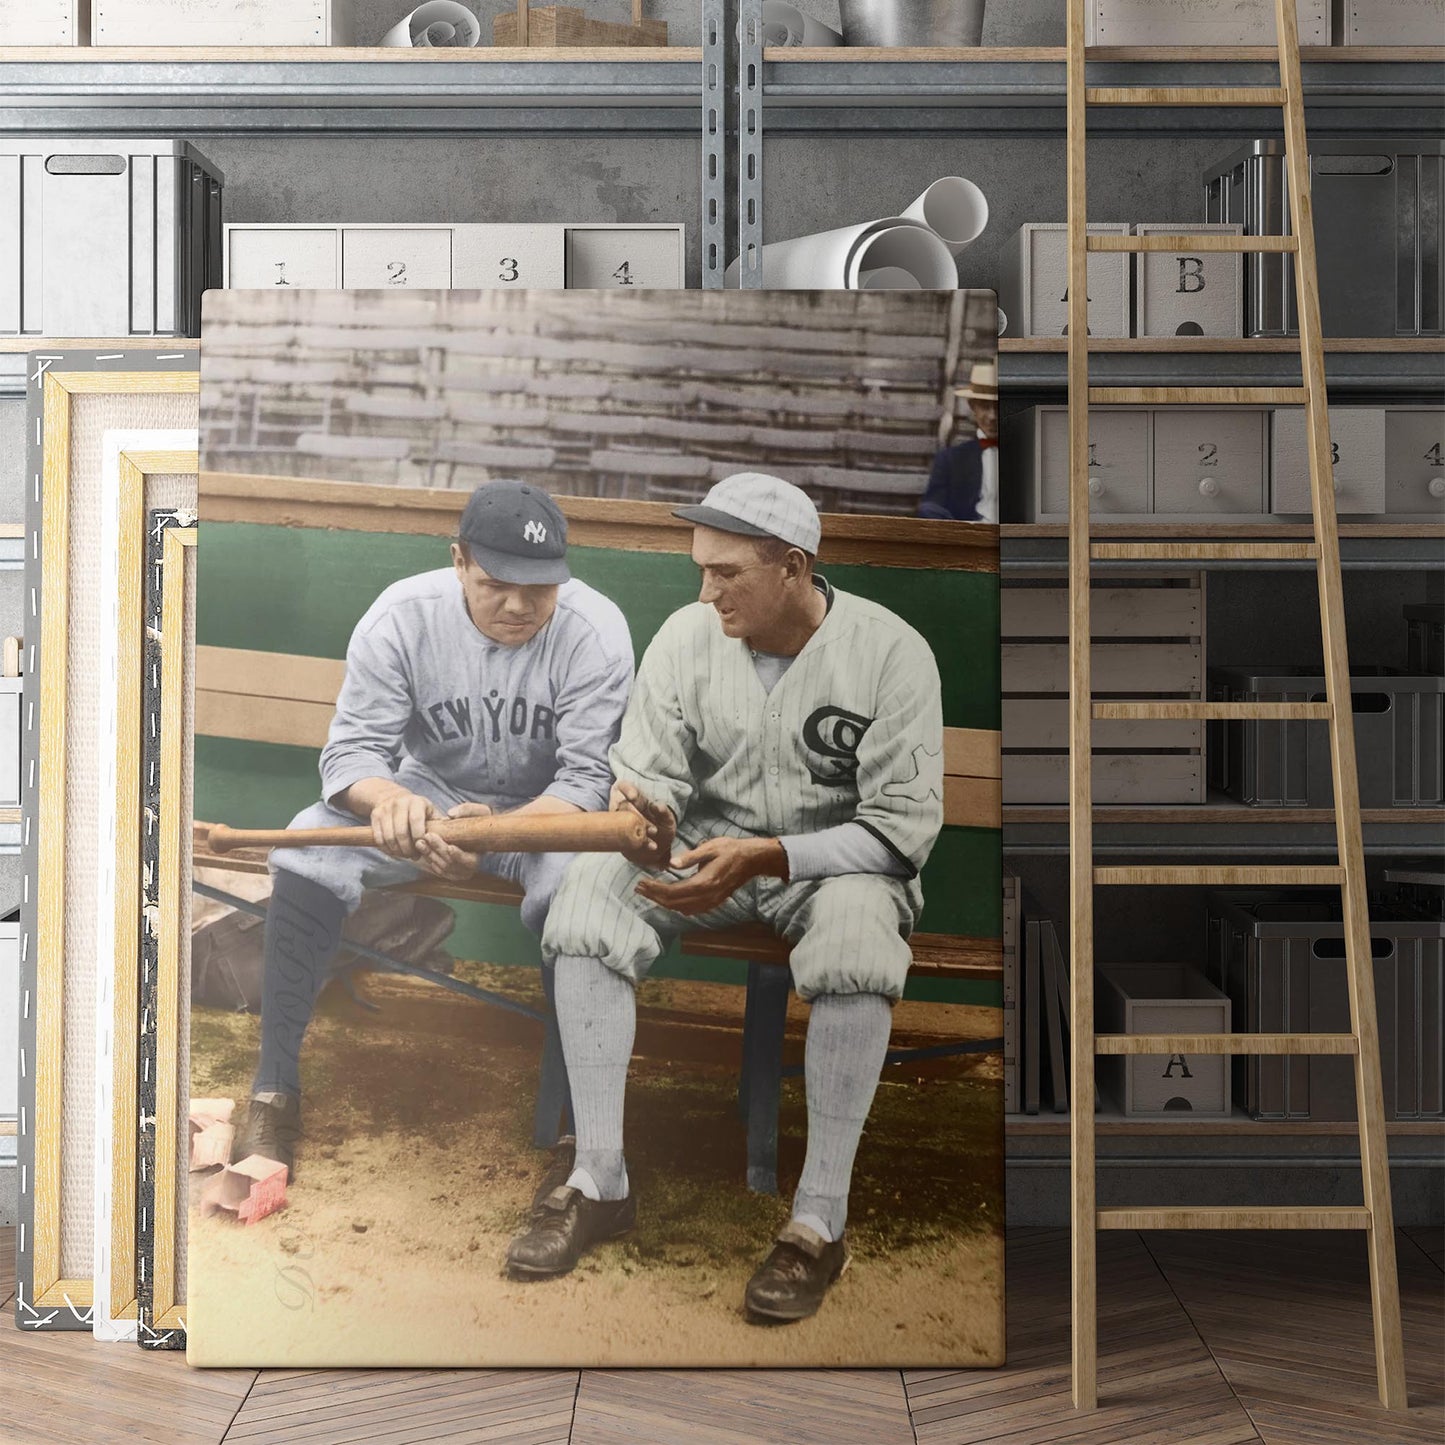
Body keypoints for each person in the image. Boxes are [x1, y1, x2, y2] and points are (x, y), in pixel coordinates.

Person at [505, 471, 944, 1323]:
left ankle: (817, 1220)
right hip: (705, 854)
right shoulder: (686, 635)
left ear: (792, 566)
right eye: (700, 568)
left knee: (858, 944)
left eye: (727, 572)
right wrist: (645, 808)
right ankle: (598, 1176)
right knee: (588, 902)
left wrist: (769, 856)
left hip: (830, 867)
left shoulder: (891, 651)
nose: (706, 590)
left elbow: (898, 832)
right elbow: (647, 771)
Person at [235, 479, 634, 1181]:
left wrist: (500, 831)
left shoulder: (594, 630)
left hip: (545, 815)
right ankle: (273, 1089)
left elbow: (586, 783)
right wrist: (388, 800)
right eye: (495, 582)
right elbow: (351, 751)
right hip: (432, 793)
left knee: (582, 891)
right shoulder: (403, 614)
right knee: (304, 844)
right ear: (458, 560)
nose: (518, 604)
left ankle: (579, 1125)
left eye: (538, 587)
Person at [917, 359, 999, 523]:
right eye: (984, 406)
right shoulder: (951, 459)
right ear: (972, 406)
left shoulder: (1027, 456)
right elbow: (931, 507)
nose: (992, 417)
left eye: (999, 406)